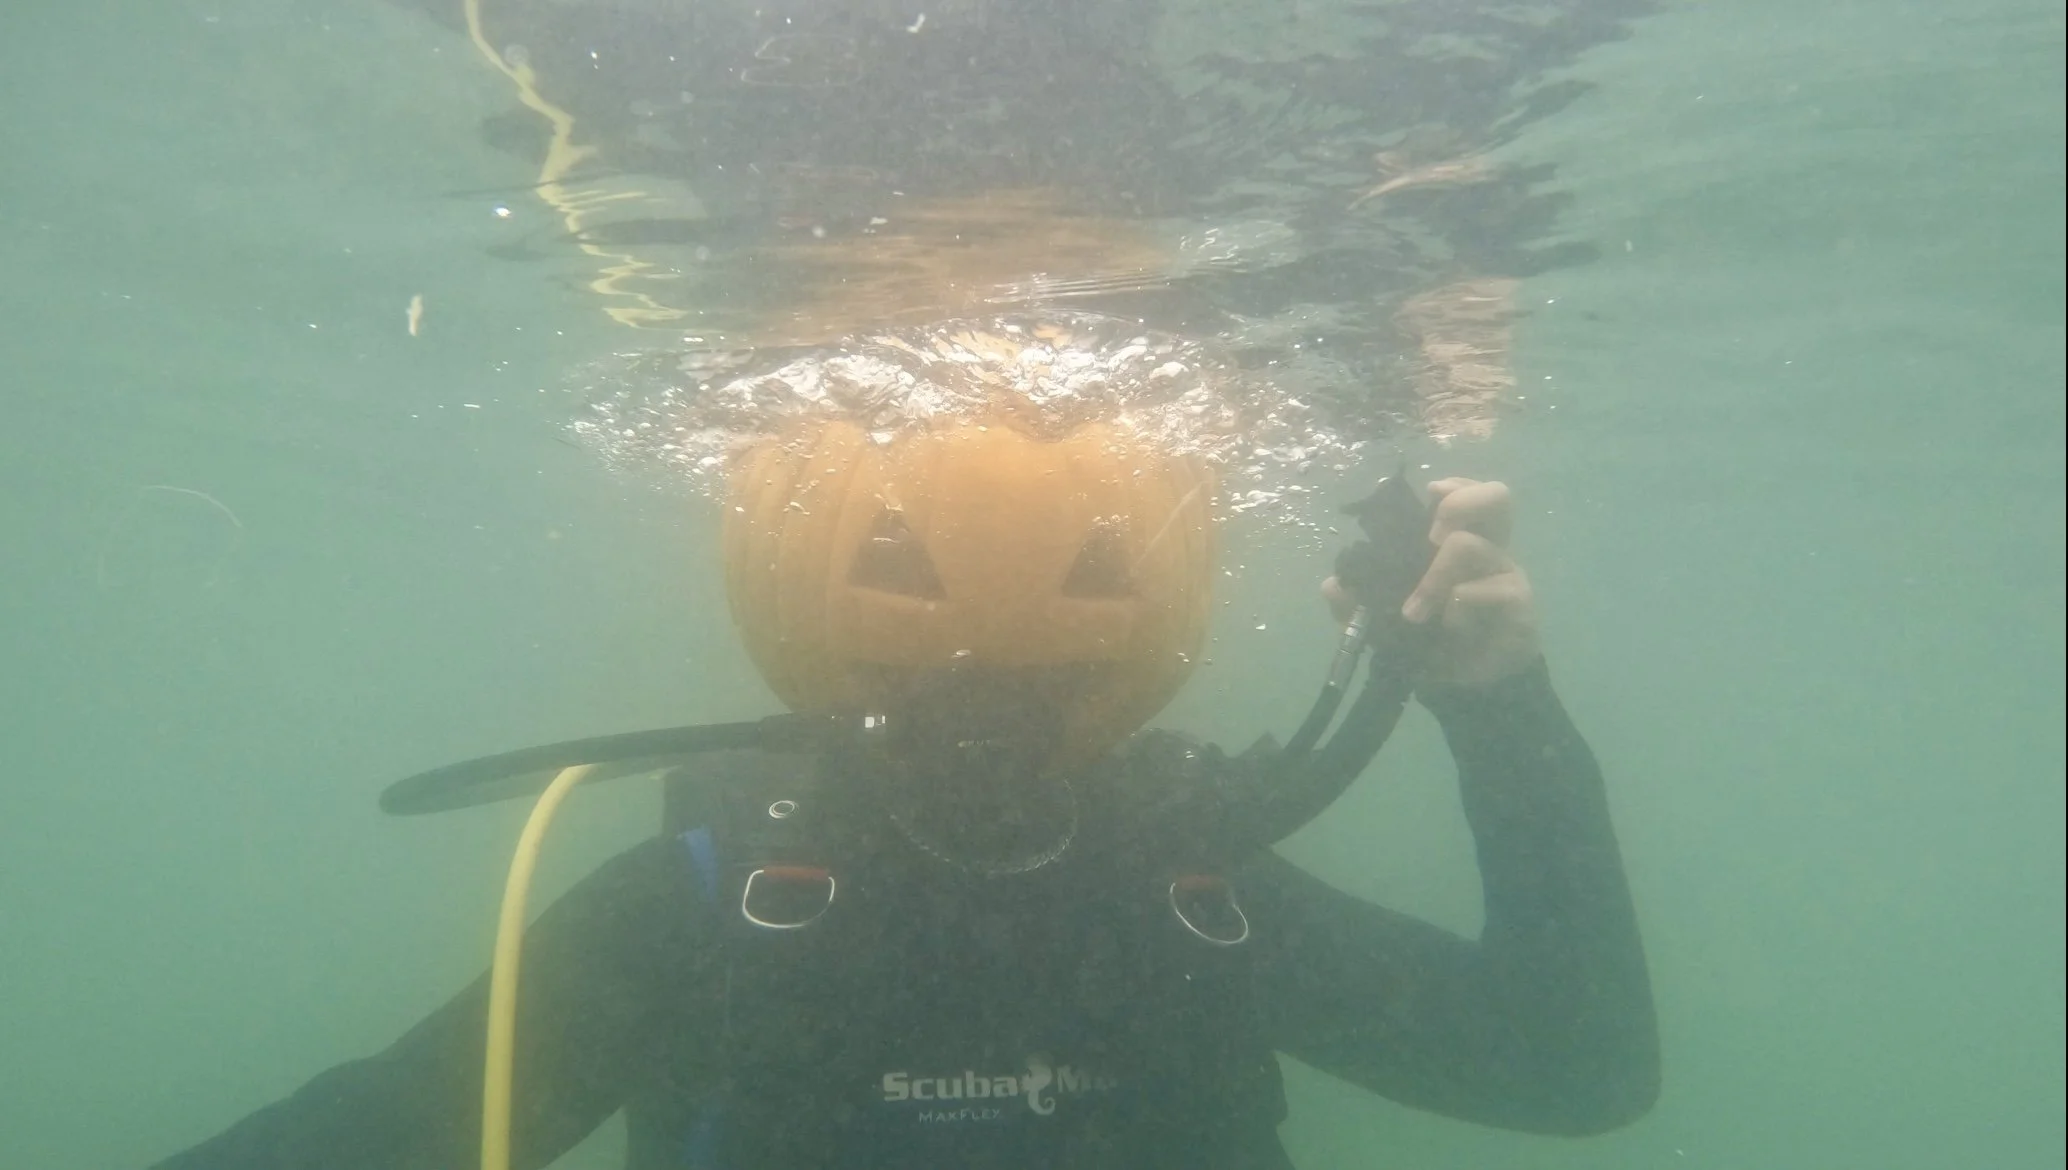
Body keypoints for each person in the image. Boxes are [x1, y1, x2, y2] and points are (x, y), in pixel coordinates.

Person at [148, 463, 1659, 1170]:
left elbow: (1572, 1067)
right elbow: (376, 1134)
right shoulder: (708, 898)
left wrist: (1499, 706)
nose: (985, 725)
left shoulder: (1186, 884)